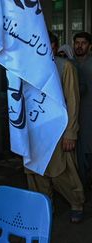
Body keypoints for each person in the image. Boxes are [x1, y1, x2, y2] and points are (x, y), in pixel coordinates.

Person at [25, 32, 84, 223]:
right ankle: (44, 206)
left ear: (54, 47)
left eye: (48, 44)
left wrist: (71, 133)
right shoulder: (26, 68)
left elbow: (73, 101)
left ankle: (76, 204)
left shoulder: (64, 66)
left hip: (58, 131)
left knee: (63, 171)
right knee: (36, 172)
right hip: (34, 132)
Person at [73, 32, 92, 188]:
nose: (79, 46)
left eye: (83, 43)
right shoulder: (69, 64)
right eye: (77, 43)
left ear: (89, 46)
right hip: (73, 116)